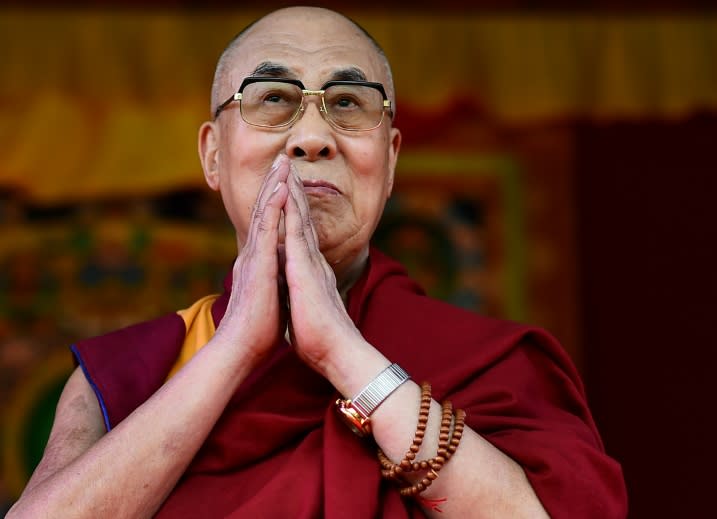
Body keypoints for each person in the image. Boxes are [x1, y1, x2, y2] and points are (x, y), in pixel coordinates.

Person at [8, 6, 627, 518]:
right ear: (213, 156)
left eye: (349, 103)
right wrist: (233, 351)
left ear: (389, 160)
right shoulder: (125, 376)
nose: (311, 136)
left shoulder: (494, 361)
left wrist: (342, 354)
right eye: (273, 98)